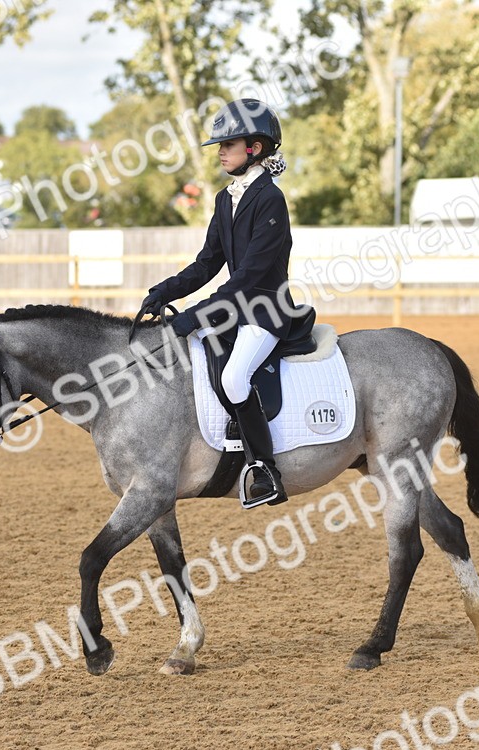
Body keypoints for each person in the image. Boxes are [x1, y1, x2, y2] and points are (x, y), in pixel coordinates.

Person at [139, 98, 298, 508]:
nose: (220, 152)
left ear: (254, 148)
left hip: (266, 310)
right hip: (236, 308)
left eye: (228, 144)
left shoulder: (270, 199)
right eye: (220, 145)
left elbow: (250, 276)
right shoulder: (225, 198)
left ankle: (265, 471)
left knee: (234, 379)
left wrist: (195, 315)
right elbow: (207, 263)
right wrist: (165, 291)